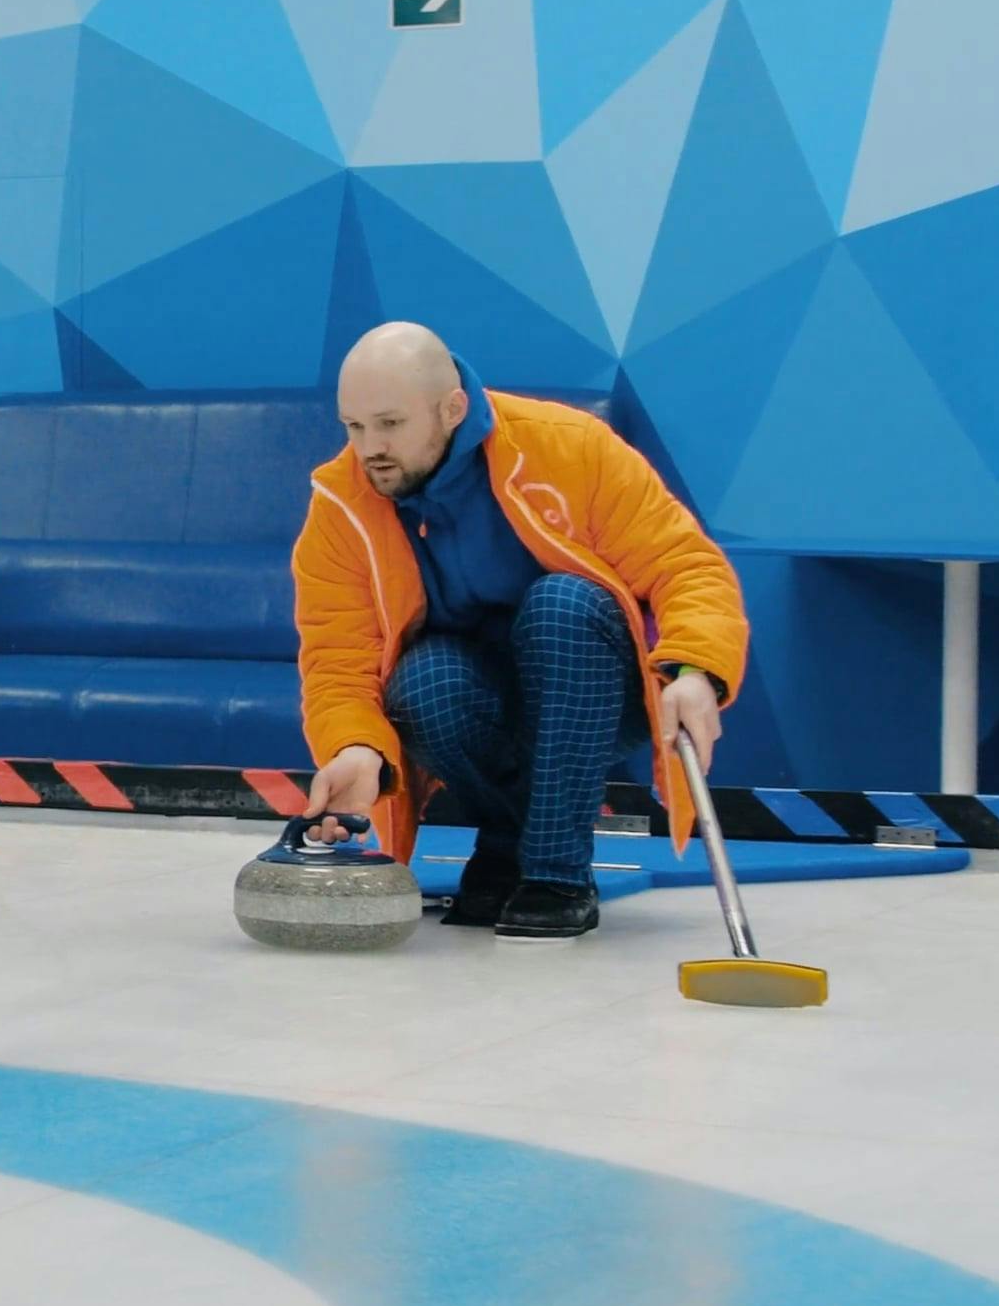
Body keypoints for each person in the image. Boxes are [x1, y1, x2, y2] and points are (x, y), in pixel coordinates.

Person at [294, 322, 748, 940]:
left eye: (391, 424)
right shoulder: (342, 504)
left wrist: (695, 671)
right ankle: (509, 844)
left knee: (561, 604)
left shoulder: (570, 446)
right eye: (353, 426)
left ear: (452, 409)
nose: (369, 447)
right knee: (425, 681)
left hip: (593, 687)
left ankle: (557, 872)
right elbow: (337, 658)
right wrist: (356, 749)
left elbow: (686, 566)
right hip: (477, 696)